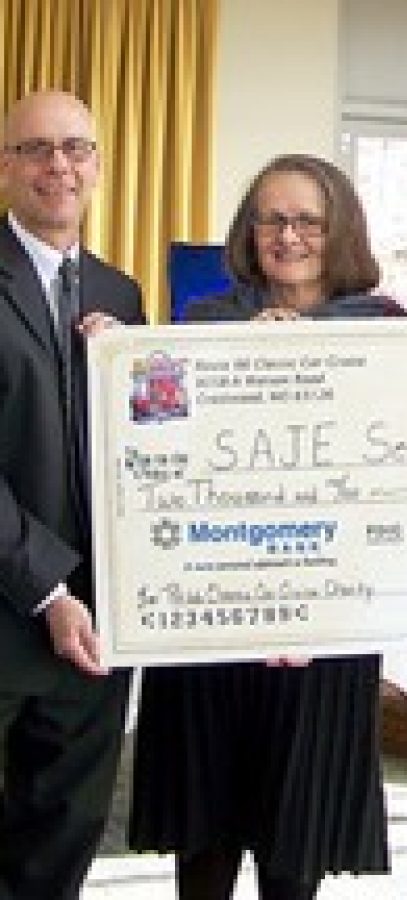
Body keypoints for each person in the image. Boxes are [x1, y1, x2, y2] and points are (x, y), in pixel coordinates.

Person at [130, 154, 398, 900]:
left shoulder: (385, 330)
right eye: (272, 219)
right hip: (212, 622)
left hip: (324, 627)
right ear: (250, 230)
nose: (289, 236)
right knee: (205, 845)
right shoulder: (202, 324)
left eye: (308, 220)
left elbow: (397, 464)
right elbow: (159, 452)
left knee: (294, 849)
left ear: (338, 227)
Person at [0, 91, 144, 898]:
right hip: (13, 610)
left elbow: (149, 455)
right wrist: (47, 587)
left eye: (76, 148)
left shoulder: (121, 298)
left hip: (95, 630)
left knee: (59, 846)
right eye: (37, 148)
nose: (59, 165)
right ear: (5, 167)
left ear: (96, 165)